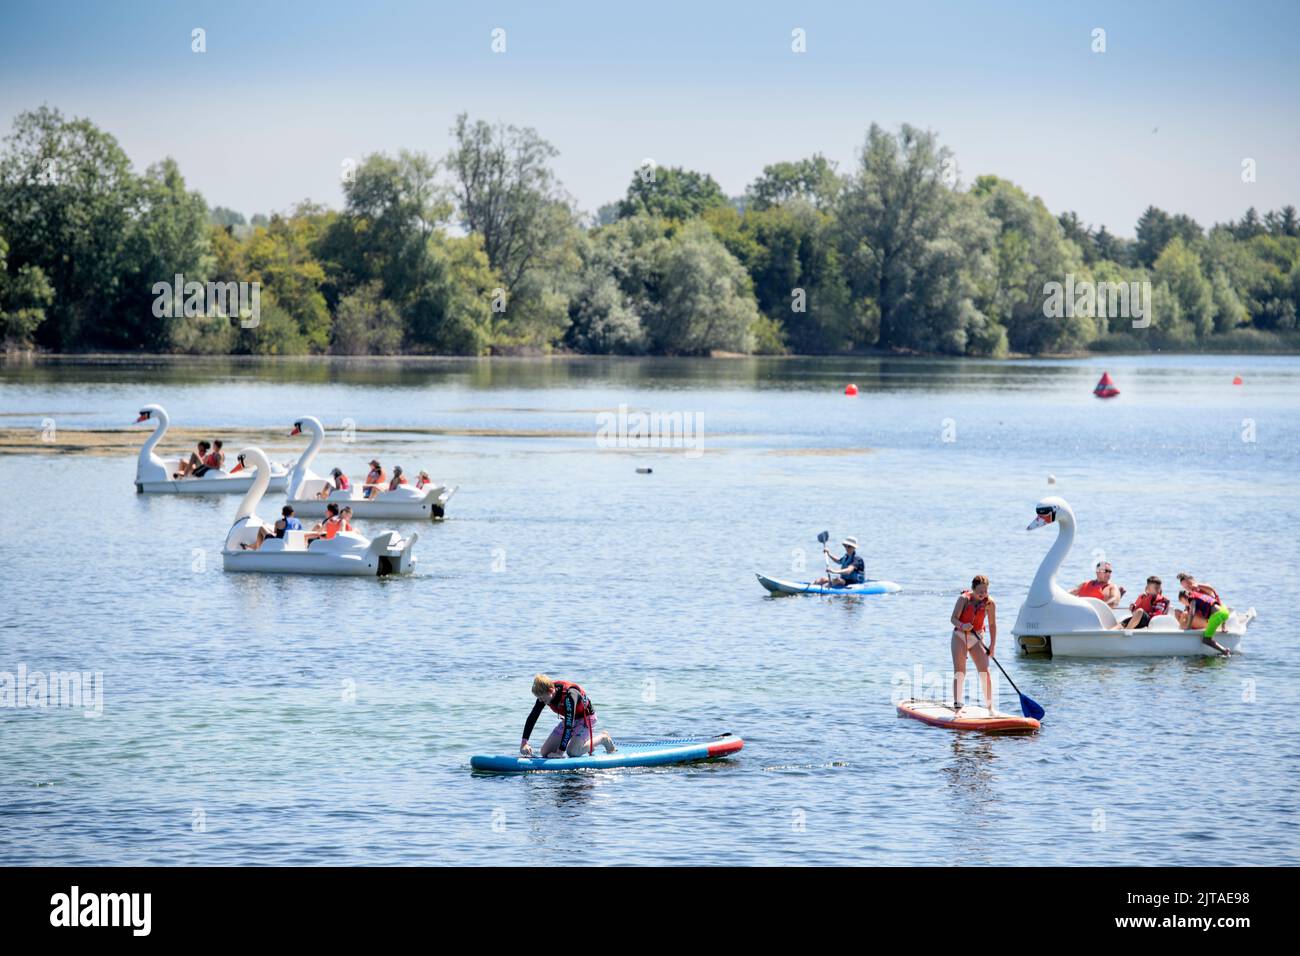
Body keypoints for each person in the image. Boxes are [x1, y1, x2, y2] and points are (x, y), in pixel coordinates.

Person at [520, 674, 616, 758]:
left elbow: (569, 726)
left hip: (586, 719)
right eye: (538, 698)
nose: (540, 701)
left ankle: (603, 738)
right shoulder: (544, 693)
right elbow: (533, 717)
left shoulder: (570, 695)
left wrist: (560, 753)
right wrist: (524, 743)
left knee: (572, 752)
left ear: (551, 691)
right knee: (545, 752)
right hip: (570, 719)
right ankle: (584, 745)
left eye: (541, 698)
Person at [950, 575, 997, 713]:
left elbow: (993, 625)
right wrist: (962, 625)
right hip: (960, 636)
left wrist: (992, 645)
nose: (982, 594)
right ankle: (958, 708)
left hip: (977, 638)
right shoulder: (963, 599)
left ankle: (990, 708)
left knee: (985, 672)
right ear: (973, 589)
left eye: (985, 591)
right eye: (979, 591)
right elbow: (953, 619)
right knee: (960, 672)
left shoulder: (990, 603)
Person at [1177, 585, 1233, 657]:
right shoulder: (1198, 595)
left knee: (1206, 640)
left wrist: (1188, 627)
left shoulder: (1191, 599)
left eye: (1182, 602)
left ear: (1183, 598)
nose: (1185, 604)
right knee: (1215, 616)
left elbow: (1192, 613)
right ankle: (1223, 628)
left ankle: (1225, 651)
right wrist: (1223, 627)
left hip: (1217, 616)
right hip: (1224, 612)